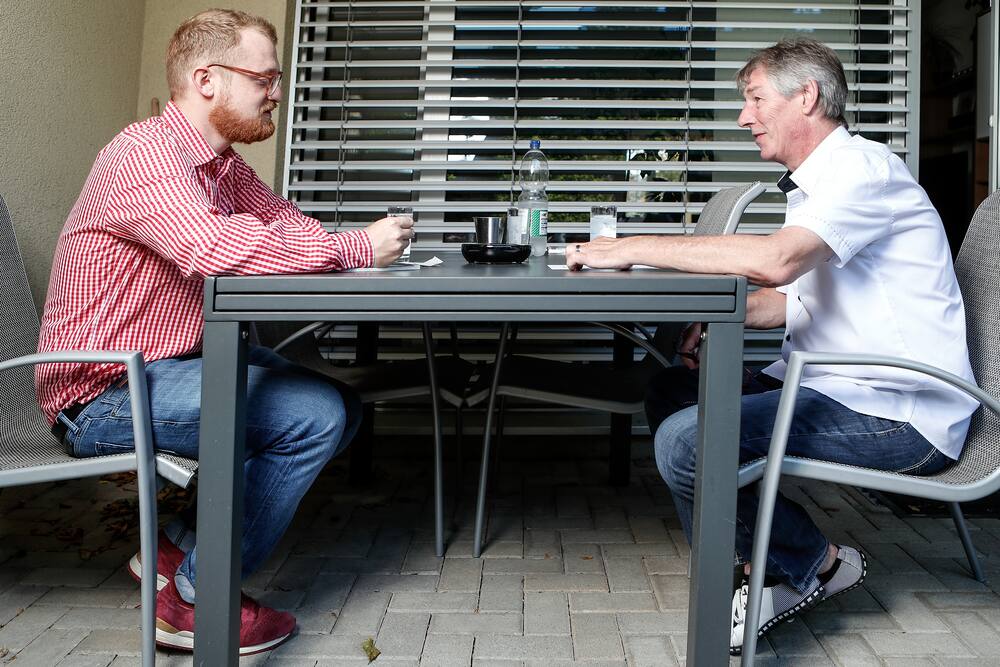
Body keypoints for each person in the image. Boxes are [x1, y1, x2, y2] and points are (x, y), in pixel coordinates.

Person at [567, 38, 979, 654]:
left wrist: (631, 244)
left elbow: (777, 262)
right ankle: (760, 563)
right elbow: (800, 300)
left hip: (899, 412)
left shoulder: (862, 172)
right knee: (673, 390)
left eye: (755, 99)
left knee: (690, 440)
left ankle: (807, 566)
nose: (743, 116)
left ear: (806, 97)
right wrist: (719, 318)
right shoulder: (818, 188)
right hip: (832, 385)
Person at [35, 9, 412, 656]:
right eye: (264, 77)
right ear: (207, 79)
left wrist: (345, 244)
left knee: (342, 406)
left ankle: (177, 547)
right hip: (100, 393)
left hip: (176, 365)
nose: (276, 91)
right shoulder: (145, 152)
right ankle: (194, 597)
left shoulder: (223, 168)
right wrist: (355, 246)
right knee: (313, 416)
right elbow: (215, 248)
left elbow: (292, 226)